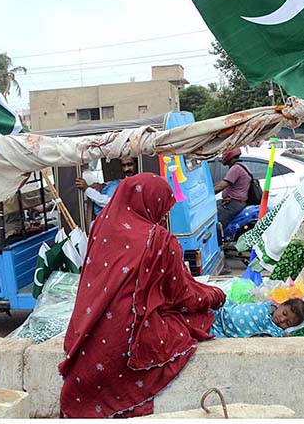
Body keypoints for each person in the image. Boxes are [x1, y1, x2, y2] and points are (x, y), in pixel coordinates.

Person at [59, 173, 226, 418]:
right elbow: (184, 297)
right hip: (129, 340)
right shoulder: (159, 240)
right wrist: (215, 295)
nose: (165, 215)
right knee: (195, 321)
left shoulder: (101, 227)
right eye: (164, 208)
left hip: (84, 331)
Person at [210, 298, 304, 338]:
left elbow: (265, 342)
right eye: (284, 313)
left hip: (223, 329)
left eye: (287, 323)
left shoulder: (275, 330)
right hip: (224, 310)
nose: (282, 319)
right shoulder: (270, 306)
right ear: (281, 304)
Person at [214, 149, 251, 231]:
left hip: (234, 204)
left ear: (230, 155)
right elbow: (223, 182)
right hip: (233, 202)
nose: (222, 157)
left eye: (224, 154)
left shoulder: (236, 168)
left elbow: (221, 186)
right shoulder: (241, 165)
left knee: (215, 224)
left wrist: (209, 194)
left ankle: (218, 241)